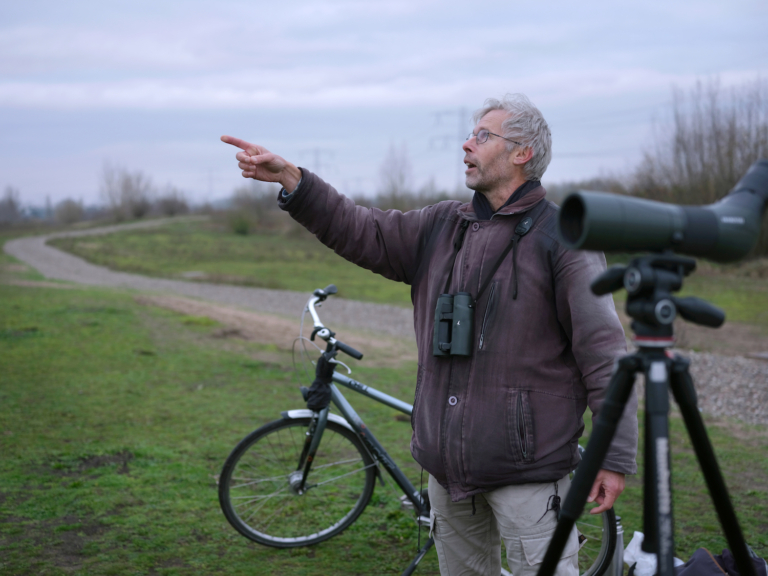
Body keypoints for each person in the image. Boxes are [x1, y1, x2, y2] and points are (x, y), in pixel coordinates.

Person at [221, 93, 638, 576]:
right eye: (470, 133)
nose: (466, 144)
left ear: (522, 152)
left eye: (483, 136)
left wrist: (613, 455)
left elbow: (605, 354)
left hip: (529, 472)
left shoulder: (563, 237)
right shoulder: (442, 225)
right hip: (445, 470)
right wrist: (296, 182)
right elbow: (361, 229)